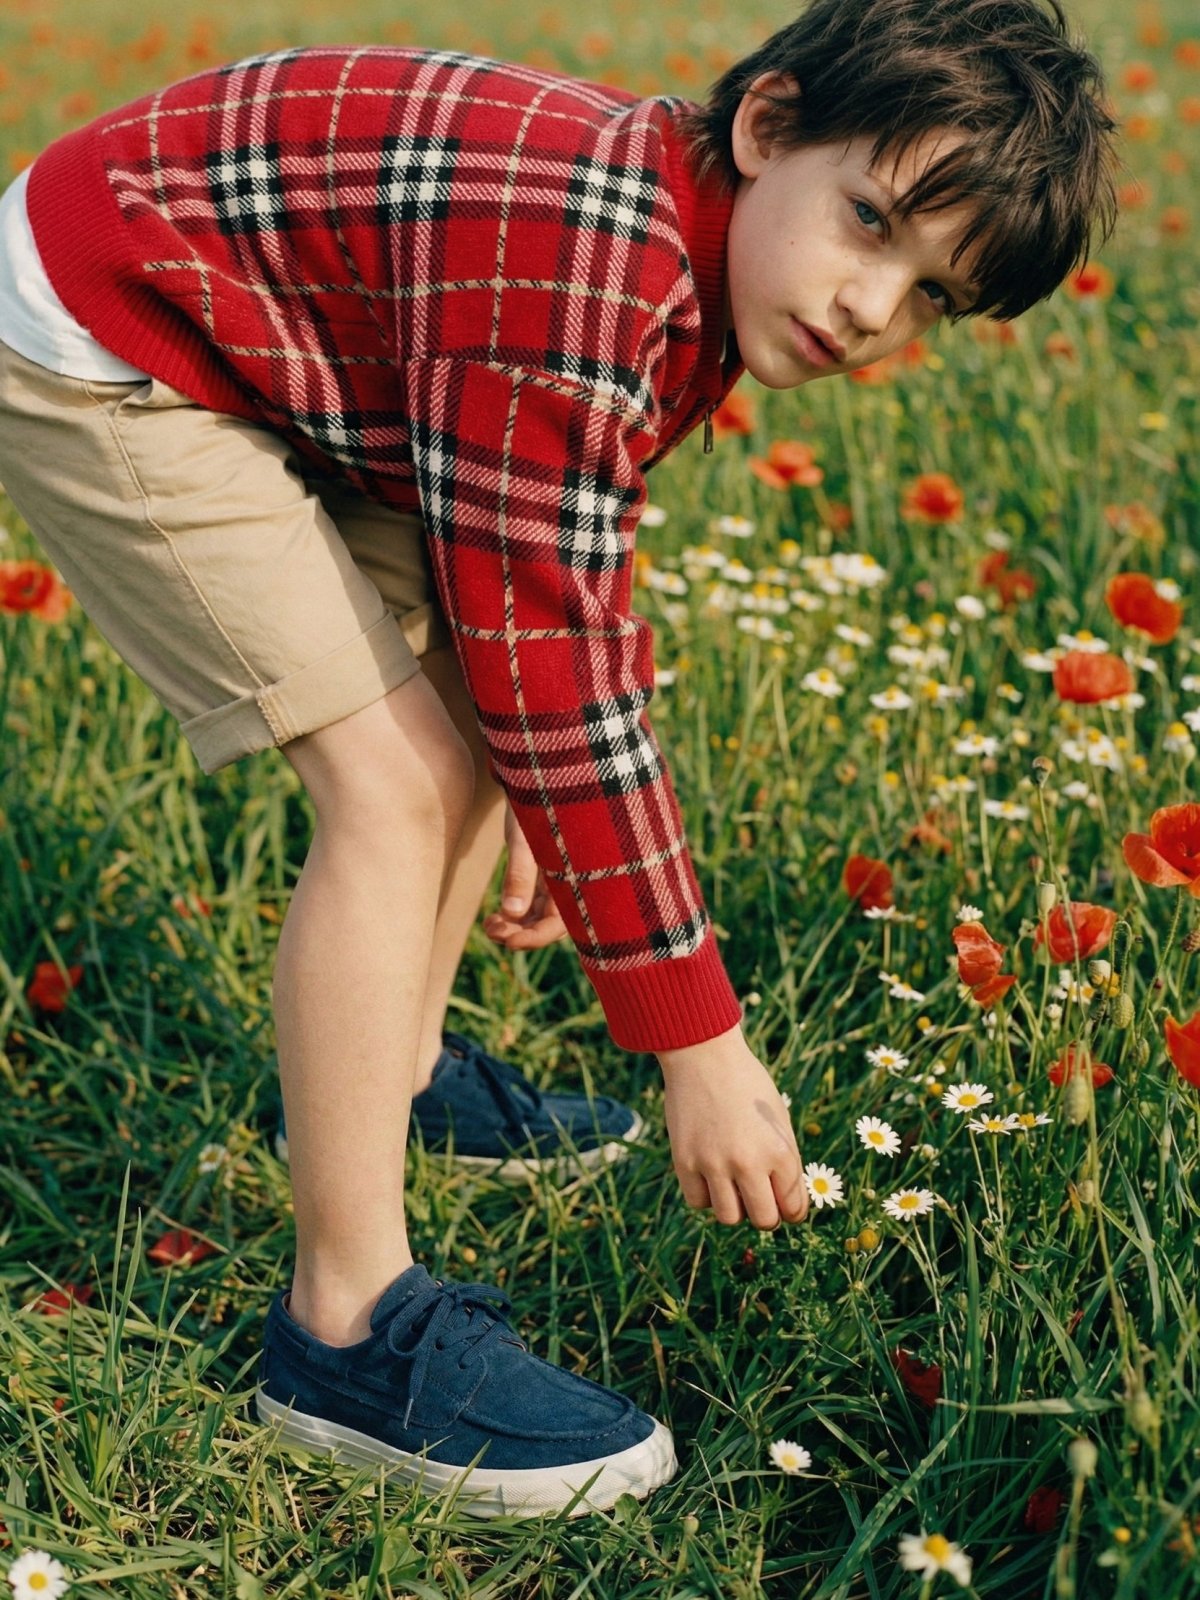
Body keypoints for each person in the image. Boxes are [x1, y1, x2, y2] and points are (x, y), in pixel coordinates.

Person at [0, 0, 1117, 1519]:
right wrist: (696, 1041)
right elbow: (558, 671)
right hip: (108, 329)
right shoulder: (593, 260)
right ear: (767, 126)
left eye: (931, 295)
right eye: (870, 223)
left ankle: (388, 1077)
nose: (871, 308)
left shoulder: (678, 250)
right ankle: (340, 1331)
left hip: (296, 344)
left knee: (474, 739)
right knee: (393, 790)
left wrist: (529, 771)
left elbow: (554, 589)